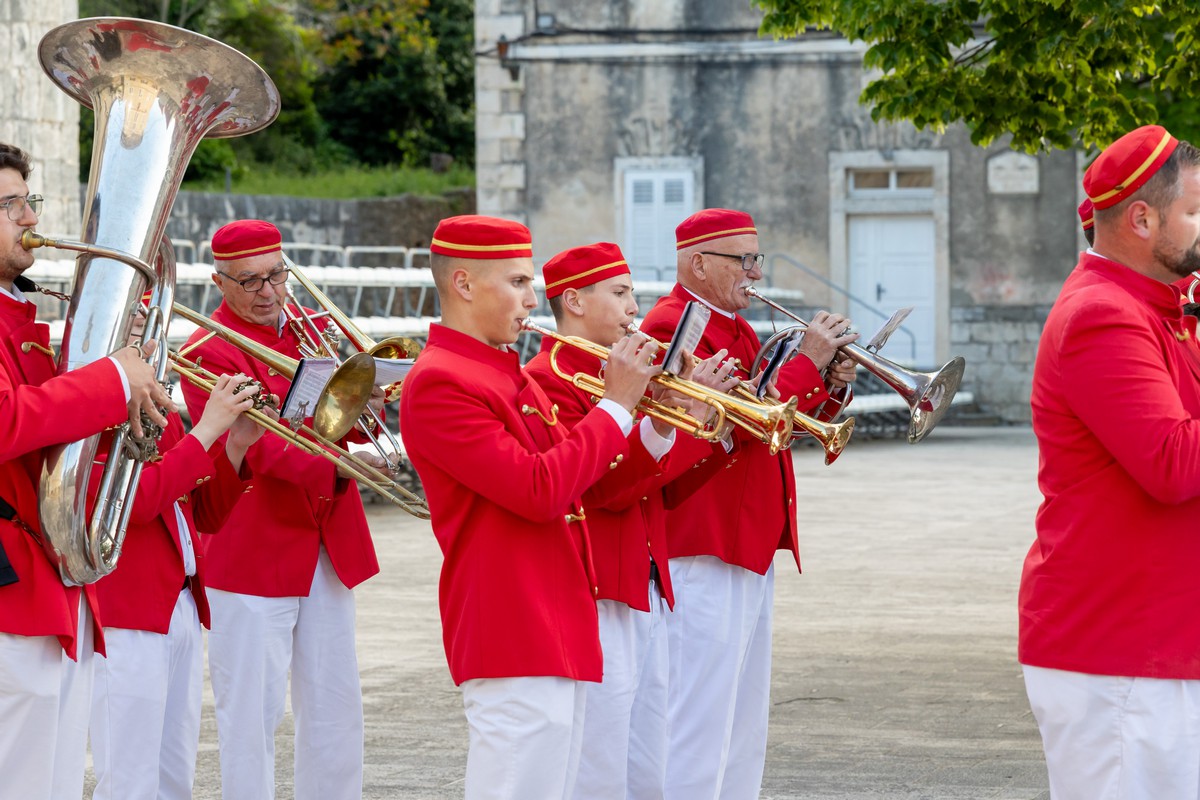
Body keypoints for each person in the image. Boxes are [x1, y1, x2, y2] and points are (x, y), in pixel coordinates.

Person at [398, 216, 662, 800]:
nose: (532, 299)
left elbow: (579, 477)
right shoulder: (441, 381)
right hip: (511, 623)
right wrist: (616, 406)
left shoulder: (504, 373)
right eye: (517, 282)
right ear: (464, 284)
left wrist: (651, 411)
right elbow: (540, 490)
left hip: (556, 619)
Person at [638, 208, 858, 799]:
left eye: (757, 259)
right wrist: (807, 362)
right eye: (745, 260)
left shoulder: (737, 327)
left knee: (741, 722)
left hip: (746, 540)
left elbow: (776, 421)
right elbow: (735, 421)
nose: (756, 273)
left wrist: (830, 381)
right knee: (697, 721)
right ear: (699, 264)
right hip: (702, 540)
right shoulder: (673, 326)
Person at [1020, 124, 1200, 799]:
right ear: (1142, 220)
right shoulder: (1104, 314)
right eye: (1194, 210)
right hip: (1121, 651)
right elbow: (1173, 463)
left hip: (1154, 641)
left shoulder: (1160, 308)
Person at [178, 219, 384, 800]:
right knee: (251, 716)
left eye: (276, 276)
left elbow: (340, 420)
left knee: (336, 706)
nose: (268, 292)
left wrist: (367, 400)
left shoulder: (311, 329)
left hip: (326, 539)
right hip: (253, 548)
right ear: (219, 283)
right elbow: (257, 447)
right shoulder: (206, 350)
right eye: (250, 281)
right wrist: (345, 465)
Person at [523, 242, 738, 799]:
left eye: (632, 294)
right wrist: (666, 421)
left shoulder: (620, 370)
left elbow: (664, 489)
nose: (633, 308)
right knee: (601, 766)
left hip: (645, 582)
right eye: (619, 294)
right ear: (574, 301)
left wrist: (694, 417)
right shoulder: (548, 378)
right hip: (598, 587)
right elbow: (605, 489)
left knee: (648, 766)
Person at [0, 141, 174, 800]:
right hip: (13, 588)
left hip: (47, 585)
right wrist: (109, 380)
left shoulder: (18, 318)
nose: (29, 217)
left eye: (29, 201)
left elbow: (51, 432)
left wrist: (123, 387)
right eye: (10, 205)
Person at [88, 301, 270, 800]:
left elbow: (201, 514)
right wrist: (207, 429)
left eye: (149, 320)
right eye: (134, 318)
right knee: (129, 778)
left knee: (174, 778)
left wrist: (235, 444)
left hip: (178, 601)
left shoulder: (154, 399)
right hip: (127, 608)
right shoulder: (90, 397)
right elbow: (138, 502)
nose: (148, 333)